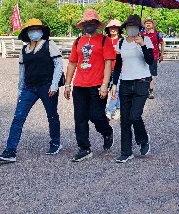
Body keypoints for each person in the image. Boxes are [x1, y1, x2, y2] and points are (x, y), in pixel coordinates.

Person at [0, 19, 63, 163]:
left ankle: (55, 143)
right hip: (29, 87)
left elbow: (58, 64)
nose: (34, 32)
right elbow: (22, 71)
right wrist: (19, 89)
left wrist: (54, 85)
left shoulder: (49, 45)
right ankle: (10, 150)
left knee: (51, 115)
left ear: (42, 30)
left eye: (37, 29)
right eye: (31, 29)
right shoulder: (24, 50)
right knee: (18, 117)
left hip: (47, 85)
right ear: (26, 33)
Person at [63, 9, 115, 162]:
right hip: (80, 85)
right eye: (87, 23)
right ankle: (84, 148)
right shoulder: (78, 41)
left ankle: (106, 131)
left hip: (97, 84)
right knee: (80, 118)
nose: (89, 25)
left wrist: (105, 84)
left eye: (92, 23)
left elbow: (108, 63)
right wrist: (67, 84)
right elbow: (72, 63)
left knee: (96, 115)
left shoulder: (104, 41)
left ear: (97, 24)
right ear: (83, 24)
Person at [110, 15, 154, 163]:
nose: (131, 28)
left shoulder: (145, 40)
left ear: (139, 28)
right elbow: (117, 65)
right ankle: (126, 151)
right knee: (125, 119)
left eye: (134, 26)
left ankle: (143, 139)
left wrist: (142, 44)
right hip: (126, 82)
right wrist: (114, 84)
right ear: (125, 27)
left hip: (142, 81)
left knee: (135, 115)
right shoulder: (121, 42)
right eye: (129, 26)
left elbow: (150, 60)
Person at [141, 17, 164, 99]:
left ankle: (150, 91)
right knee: (143, 73)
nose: (148, 24)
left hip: (154, 56)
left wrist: (162, 54)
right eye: (146, 23)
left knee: (152, 74)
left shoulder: (157, 33)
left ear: (152, 24)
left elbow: (161, 43)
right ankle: (143, 90)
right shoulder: (141, 34)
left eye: (149, 23)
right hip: (142, 56)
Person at [104, 19, 122, 120]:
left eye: (115, 28)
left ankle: (109, 110)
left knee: (116, 89)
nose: (113, 30)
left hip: (119, 69)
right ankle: (119, 108)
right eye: (111, 27)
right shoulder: (105, 40)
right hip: (106, 69)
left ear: (119, 29)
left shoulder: (122, 40)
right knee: (106, 89)